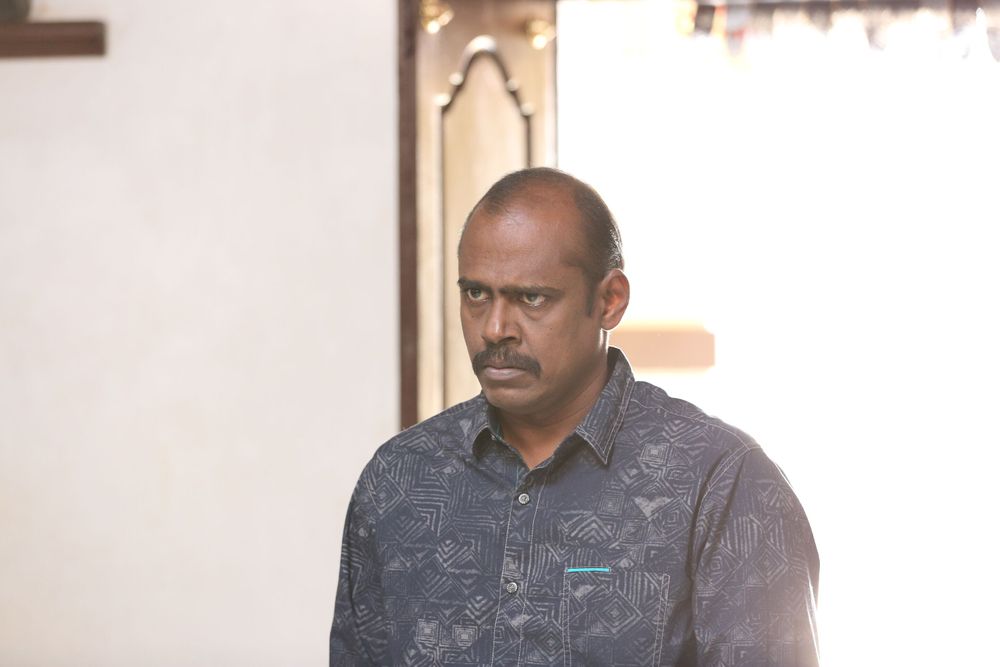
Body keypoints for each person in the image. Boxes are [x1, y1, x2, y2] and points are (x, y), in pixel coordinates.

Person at [330, 168, 820, 666]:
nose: (494, 328)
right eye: (476, 293)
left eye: (531, 298)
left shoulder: (720, 482)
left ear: (610, 301)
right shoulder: (400, 478)